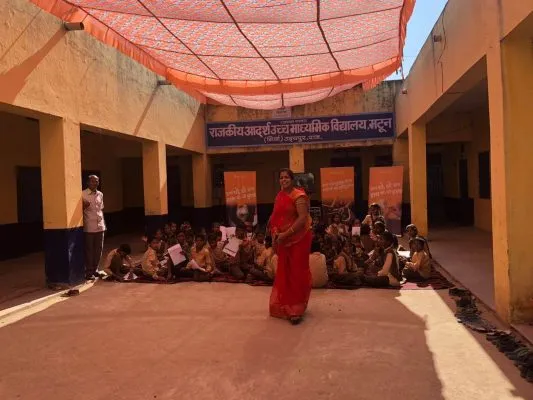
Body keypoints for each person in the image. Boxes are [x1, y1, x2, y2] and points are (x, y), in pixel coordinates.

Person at [268, 168, 312, 325]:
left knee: (296, 271)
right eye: (281, 177)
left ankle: (296, 307)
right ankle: (285, 303)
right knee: (285, 271)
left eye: (286, 177)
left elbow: (302, 219)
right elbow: (275, 216)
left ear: (292, 180)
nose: (283, 180)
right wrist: (274, 231)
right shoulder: (279, 195)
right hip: (283, 240)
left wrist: (286, 234)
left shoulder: (298, 196)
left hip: (298, 240)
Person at [82, 175, 106, 280]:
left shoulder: (100, 194)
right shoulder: (83, 194)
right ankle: (89, 272)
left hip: (100, 226)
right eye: (92, 181)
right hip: (89, 227)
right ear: (88, 183)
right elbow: (78, 211)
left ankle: (95, 270)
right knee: (89, 250)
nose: (95, 183)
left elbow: (101, 209)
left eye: (97, 181)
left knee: (98, 250)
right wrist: (83, 206)